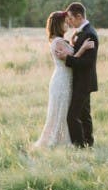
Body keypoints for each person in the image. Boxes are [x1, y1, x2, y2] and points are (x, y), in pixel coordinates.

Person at [34, 10, 95, 148]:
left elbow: (70, 55)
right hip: (62, 80)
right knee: (61, 111)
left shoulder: (60, 40)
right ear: (58, 24)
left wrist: (72, 42)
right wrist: (83, 47)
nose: (67, 23)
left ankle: (67, 139)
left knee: (64, 110)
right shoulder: (58, 42)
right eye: (64, 22)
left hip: (64, 78)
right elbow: (72, 59)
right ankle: (60, 140)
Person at [54, 2, 99, 148]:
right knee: (84, 115)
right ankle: (88, 143)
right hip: (82, 81)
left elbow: (87, 63)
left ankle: (79, 146)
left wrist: (67, 59)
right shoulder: (83, 32)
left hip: (83, 81)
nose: (70, 23)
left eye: (71, 19)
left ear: (79, 16)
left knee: (72, 116)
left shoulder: (89, 34)